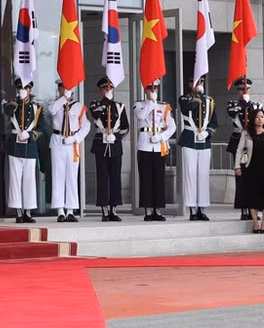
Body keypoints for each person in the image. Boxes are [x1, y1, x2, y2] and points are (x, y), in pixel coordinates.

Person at [3, 78, 44, 223]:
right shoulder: (12, 103)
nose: (23, 90)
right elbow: (7, 111)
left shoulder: (37, 107)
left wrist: (31, 135)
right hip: (15, 145)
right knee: (15, 179)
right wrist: (18, 100)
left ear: (30, 90)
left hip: (30, 146)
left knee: (29, 180)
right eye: (20, 88)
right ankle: (18, 212)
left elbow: (41, 128)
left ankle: (28, 211)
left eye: (26, 88)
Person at [48, 80, 90, 223]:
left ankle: (71, 210)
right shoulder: (55, 103)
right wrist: (63, 99)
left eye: (67, 87)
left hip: (71, 143)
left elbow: (86, 126)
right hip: (58, 140)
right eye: (62, 87)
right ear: (58, 89)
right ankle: (60, 210)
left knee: (72, 177)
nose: (64, 89)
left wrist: (75, 138)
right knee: (58, 176)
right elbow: (52, 110)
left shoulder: (79, 107)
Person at [134, 80, 176, 221]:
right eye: (150, 88)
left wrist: (161, 136)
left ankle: (157, 210)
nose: (153, 90)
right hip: (145, 144)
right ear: (145, 90)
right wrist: (151, 102)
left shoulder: (164, 107)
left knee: (159, 178)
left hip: (159, 145)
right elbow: (140, 116)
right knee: (146, 178)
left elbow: (172, 126)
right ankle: (148, 209)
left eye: (155, 88)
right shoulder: (139, 105)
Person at [89, 77, 129, 222]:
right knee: (102, 178)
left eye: (110, 88)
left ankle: (114, 208)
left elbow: (125, 126)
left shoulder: (120, 106)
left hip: (115, 145)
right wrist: (107, 101)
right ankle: (104, 209)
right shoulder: (96, 104)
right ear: (100, 90)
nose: (108, 90)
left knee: (115, 178)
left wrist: (117, 137)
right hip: (101, 145)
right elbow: (96, 114)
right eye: (105, 88)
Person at [178, 76, 217, 221]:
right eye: (196, 82)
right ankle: (192, 209)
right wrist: (199, 96)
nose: (200, 84)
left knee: (203, 176)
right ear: (190, 84)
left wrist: (207, 133)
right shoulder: (184, 99)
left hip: (204, 141)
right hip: (189, 139)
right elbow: (187, 108)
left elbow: (214, 123)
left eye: (202, 82)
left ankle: (202, 207)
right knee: (191, 175)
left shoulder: (210, 101)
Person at [227, 77, 261, 221]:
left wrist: (248, 103)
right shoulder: (233, 104)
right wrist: (244, 103)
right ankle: (243, 208)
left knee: (254, 177)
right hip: (239, 142)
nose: (243, 91)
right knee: (241, 176)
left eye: (246, 89)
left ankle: (253, 207)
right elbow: (232, 112)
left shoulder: (257, 105)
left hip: (254, 142)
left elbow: (259, 117)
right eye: (241, 89)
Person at [235, 108, 264, 233]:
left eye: (262, 117)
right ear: (253, 118)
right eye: (258, 117)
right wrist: (237, 166)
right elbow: (239, 150)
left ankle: (263, 225)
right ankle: (255, 224)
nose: (260, 119)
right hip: (251, 167)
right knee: (252, 195)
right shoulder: (246, 133)